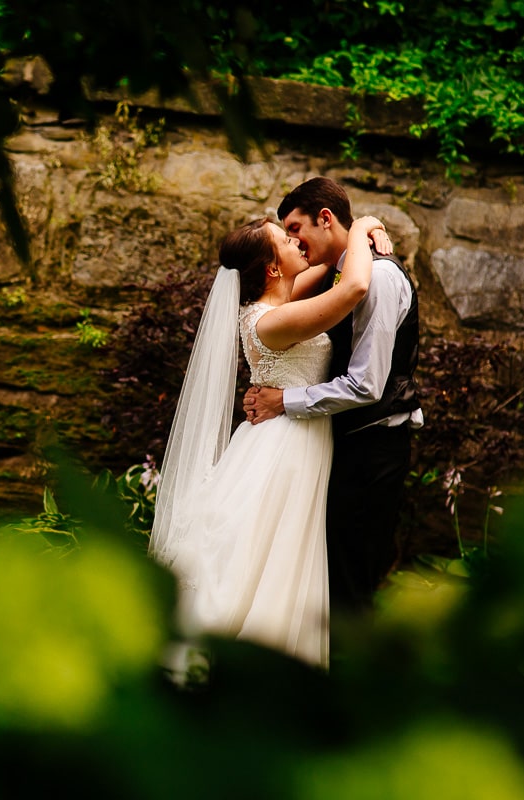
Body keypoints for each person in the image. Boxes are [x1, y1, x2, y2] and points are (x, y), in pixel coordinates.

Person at [150, 214, 389, 668]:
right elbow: (353, 286)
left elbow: (327, 260)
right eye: (286, 238)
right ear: (273, 267)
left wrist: (345, 230)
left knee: (275, 555)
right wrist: (365, 227)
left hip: (293, 439)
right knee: (262, 555)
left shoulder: (282, 301)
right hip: (283, 451)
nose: (297, 239)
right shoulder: (268, 322)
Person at [243, 177, 423, 622]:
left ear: (325, 219)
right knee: (319, 574)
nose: (294, 241)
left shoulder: (376, 277)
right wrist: (363, 225)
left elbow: (366, 386)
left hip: (373, 448)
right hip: (342, 444)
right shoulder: (343, 270)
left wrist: (283, 400)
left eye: (296, 228)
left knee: (349, 579)